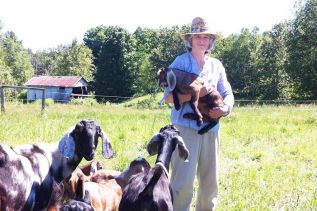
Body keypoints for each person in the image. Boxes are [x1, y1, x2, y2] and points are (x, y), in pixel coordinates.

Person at [165, 17, 234, 211]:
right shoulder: (181, 62)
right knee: (182, 183)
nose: (202, 40)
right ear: (190, 40)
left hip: (211, 130)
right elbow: (168, 98)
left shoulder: (216, 65)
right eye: (198, 36)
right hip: (185, 131)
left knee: (210, 183)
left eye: (206, 36)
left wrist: (225, 109)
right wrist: (196, 94)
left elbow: (227, 93)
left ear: (211, 40)